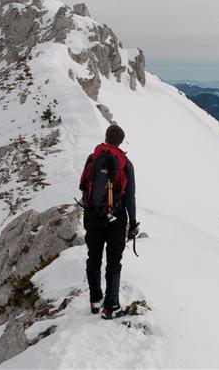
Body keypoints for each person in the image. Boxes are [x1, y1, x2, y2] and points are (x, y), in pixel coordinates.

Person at [80, 124, 138, 320]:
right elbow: (130, 197)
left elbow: (84, 186)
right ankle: (110, 305)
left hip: (94, 216)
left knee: (93, 259)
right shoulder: (126, 163)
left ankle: (95, 300)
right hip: (116, 219)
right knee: (114, 263)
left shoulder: (93, 158)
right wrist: (133, 222)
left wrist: (89, 212)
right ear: (121, 141)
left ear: (106, 137)